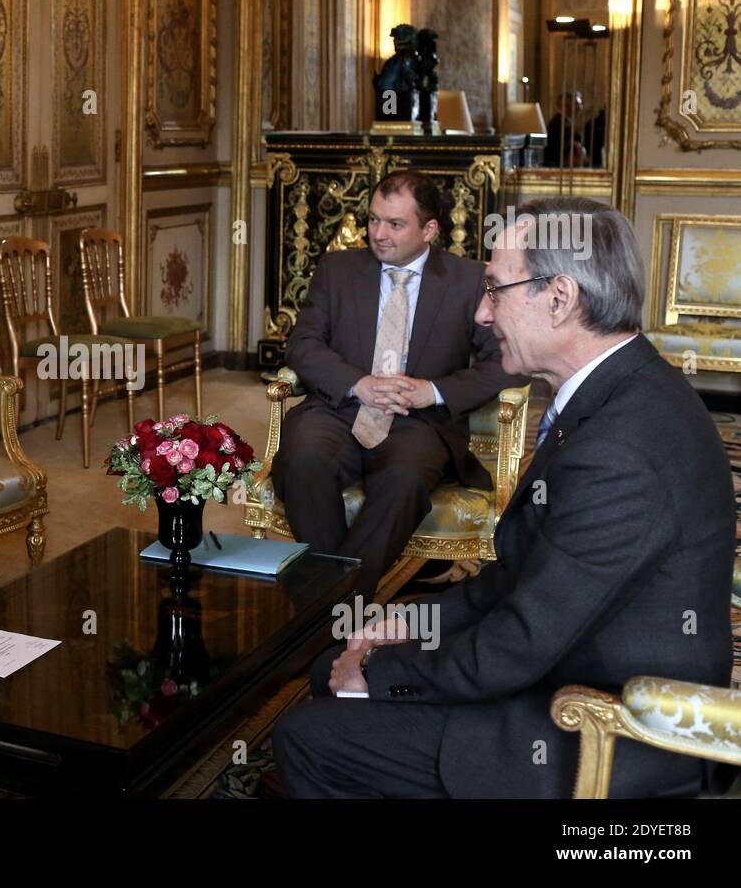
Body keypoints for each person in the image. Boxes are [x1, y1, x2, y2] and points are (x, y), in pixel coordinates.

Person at [272, 198, 737, 798]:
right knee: (333, 667)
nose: (482, 313)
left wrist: (378, 671)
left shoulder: (620, 449)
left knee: (309, 733)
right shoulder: (620, 390)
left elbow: (516, 645)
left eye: (495, 290)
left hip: (597, 725)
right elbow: (518, 579)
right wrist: (404, 620)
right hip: (569, 661)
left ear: (560, 298)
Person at [272, 170, 524, 597]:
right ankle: (337, 611)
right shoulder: (337, 269)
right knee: (301, 461)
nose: (378, 234)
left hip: (420, 421)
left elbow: (507, 361)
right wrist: (358, 383)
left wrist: (434, 391)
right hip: (339, 409)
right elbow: (303, 344)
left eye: (395, 224)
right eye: (373, 220)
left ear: (429, 230)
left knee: (404, 481)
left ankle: (325, 611)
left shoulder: (468, 280)